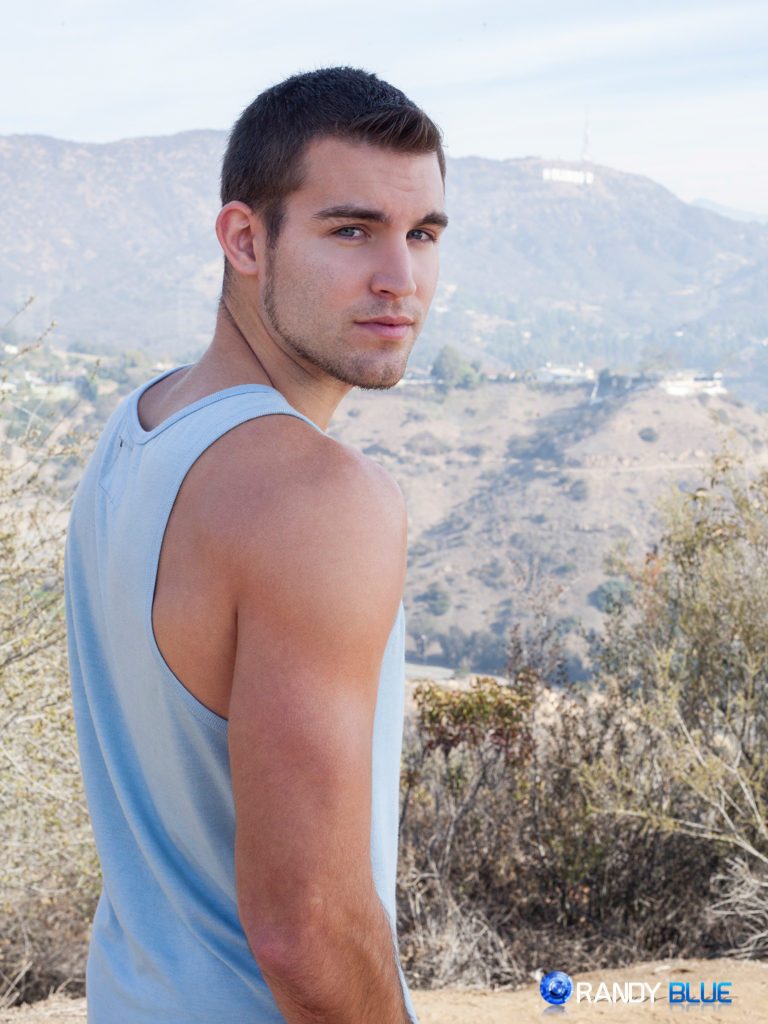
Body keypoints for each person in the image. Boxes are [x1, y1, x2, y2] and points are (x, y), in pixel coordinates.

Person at [65, 67, 447, 1023]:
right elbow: (305, 931)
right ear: (245, 239)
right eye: (352, 230)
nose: (400, 278)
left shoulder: (142, 422)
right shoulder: (316, 498)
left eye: (423, 234)